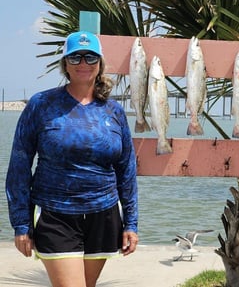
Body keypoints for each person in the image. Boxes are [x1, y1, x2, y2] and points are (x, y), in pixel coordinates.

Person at [5, 31, 139, 287]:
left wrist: (131, 223)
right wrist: (21, 223)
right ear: (65, 63)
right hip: (55, 214)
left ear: (99, 64)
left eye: (90, 57)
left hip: (104, 213)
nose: (83, 64)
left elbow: (127, 170)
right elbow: (19, 165)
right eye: (75, 57)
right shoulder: (41, 104)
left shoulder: (114, 111)